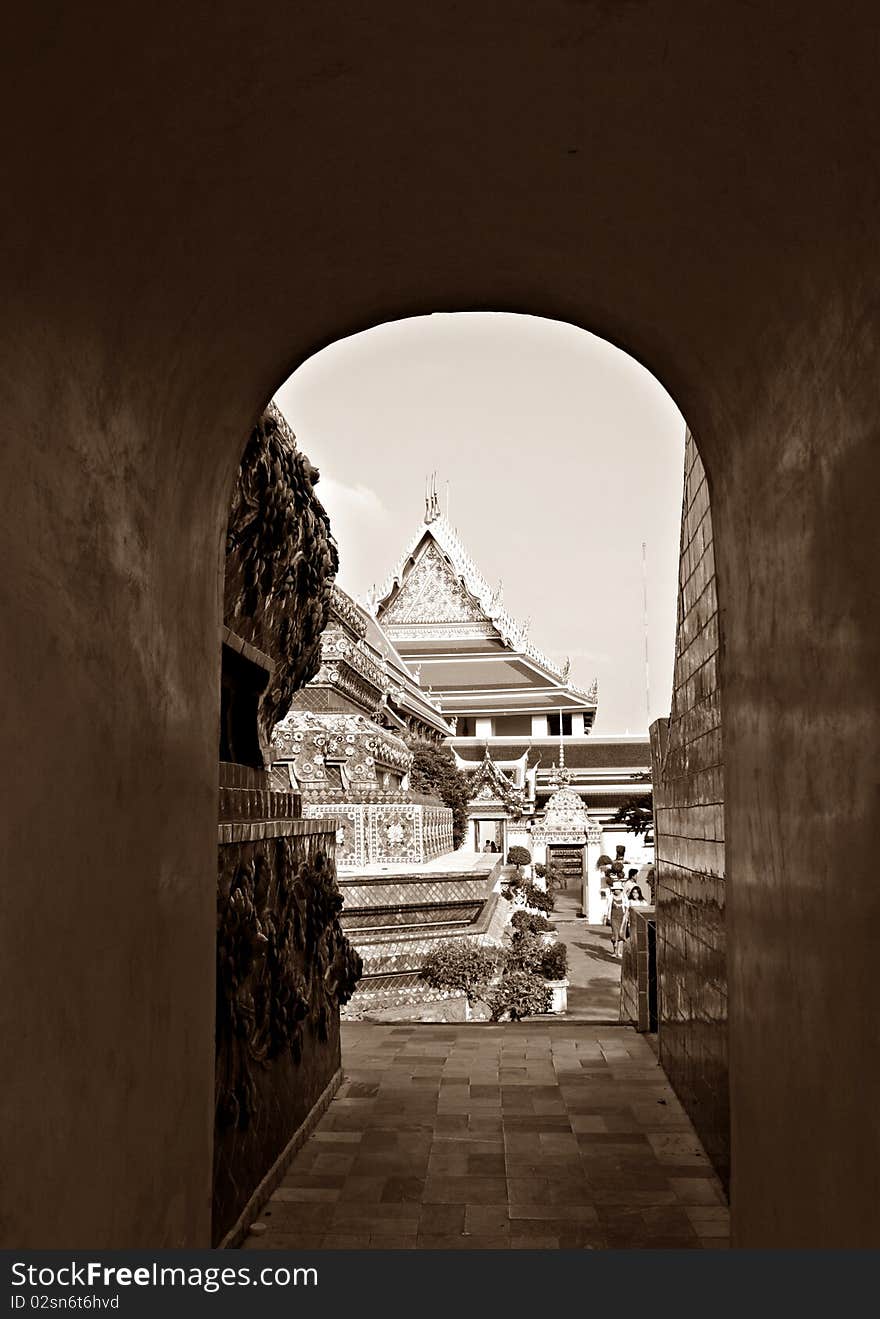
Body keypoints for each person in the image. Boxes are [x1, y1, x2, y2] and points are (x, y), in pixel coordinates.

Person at [606, 880, 629, 956]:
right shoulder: (610, 897)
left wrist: (626, 916)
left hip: (622, 918)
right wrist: (607, 917)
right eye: (615, 889)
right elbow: (608, 907)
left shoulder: (624, 896)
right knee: (615, 934)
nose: (617, 891)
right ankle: (614, 950)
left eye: (618, 889)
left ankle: (619, 951)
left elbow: (627, 907)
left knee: (621, 934)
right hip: (614, 917)